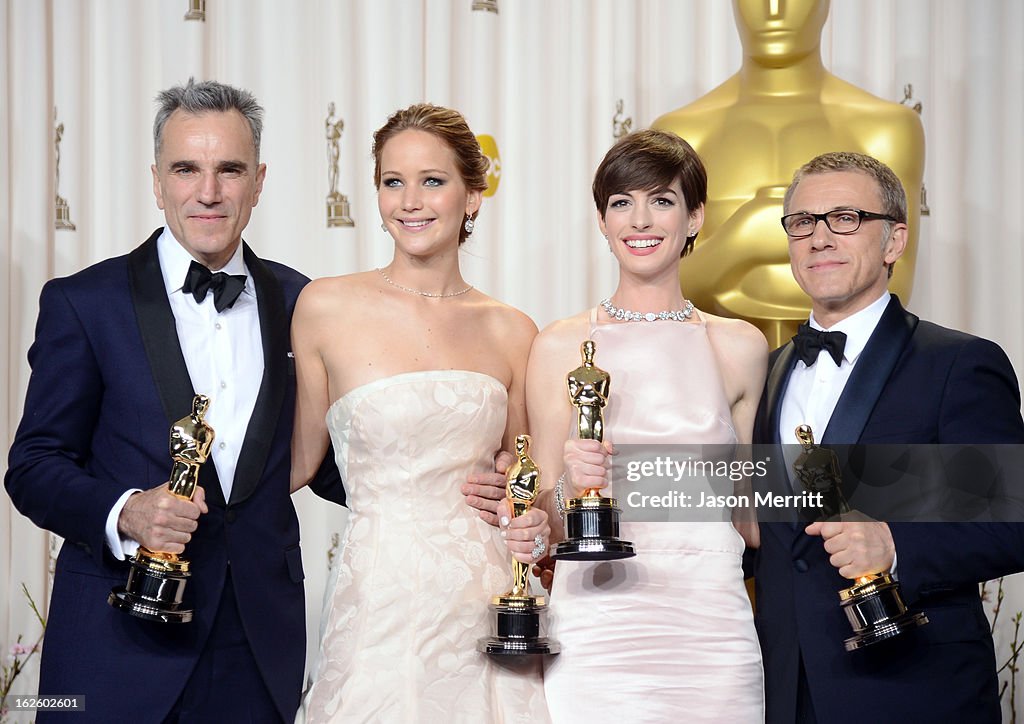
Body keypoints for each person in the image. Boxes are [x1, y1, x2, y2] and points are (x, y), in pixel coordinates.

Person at [5, 79, 344, 723]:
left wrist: (442, 480)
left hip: (257, 652)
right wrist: (127, 512)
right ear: (157, 181)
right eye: (186, 169)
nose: (208, 192)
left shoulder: (306, 304)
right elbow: (34, 467)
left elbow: (323, 460)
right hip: (113, 650)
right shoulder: (85, 303)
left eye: (230, 170)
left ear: (260, 180)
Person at [291, 103, 550, 722]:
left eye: (432, 181)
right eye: (392, 182)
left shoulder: (512, 330)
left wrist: (530, 512)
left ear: (473, 195)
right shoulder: (325, 306)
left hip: (485, 592)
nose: (410, 200)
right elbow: (295, 462)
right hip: (378, 596)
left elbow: (529, 478)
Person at [751, 151, 1024, 723]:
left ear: (894, 241)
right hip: (786, 690)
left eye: (845, 218)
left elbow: (1013, 522)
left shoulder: (958, 364)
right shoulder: (768, 371)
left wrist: (897, 547)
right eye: (802, 222)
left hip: (913, 690)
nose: (819, 238)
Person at [526, 129, 768, 722]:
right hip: (598, 626)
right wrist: (569, 487)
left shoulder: (740, 346)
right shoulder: (559, 345)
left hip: (712, 623)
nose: (640, 219)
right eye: (621, 202)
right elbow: (548, 521)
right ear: (603, 221)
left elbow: (750, 518)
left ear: (694, 218)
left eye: (661, 200)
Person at [652, 0, 924, 346]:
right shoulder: (683, 131)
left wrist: (726, 272)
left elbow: (895, 280)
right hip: (712, 367)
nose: (774, 8)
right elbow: (663, 285)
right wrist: (745, 239)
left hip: (850, 366)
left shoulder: (886, 127)